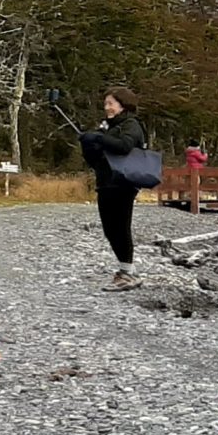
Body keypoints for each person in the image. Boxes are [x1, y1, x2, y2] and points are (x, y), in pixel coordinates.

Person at [77, 89, 148, 289]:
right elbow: (96, 157)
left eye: (111, 103)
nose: (107, 107)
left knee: (120, 227)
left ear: (123, 105)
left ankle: (127, 273)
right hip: (106, 181)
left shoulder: (131, 124)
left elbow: (125, 146)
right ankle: (126, 270)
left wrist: (98, 139)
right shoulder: (106, 126)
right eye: (106, 103)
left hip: (124, 183)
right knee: (110, 228)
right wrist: (88, 144)